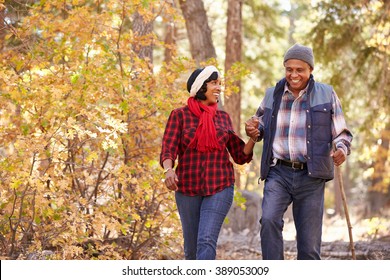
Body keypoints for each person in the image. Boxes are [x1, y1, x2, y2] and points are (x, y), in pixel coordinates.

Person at [245, 43, 353, 260]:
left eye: (299, 70)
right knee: (268, 220)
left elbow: (342, 133)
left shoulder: (326, 94)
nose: (293, 74)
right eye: (289, 69)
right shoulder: (272, 94)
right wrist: (253, 128)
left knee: (309, 245)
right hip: (278, 172)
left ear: (310, 69)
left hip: (311, 176)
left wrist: (341, 148)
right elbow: (261, 125)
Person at [160, 66, 258, 260]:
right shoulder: (179, 115)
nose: (218, 88)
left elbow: (240, 155)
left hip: (220, 186)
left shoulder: (222, 118)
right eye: (214, 83)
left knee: (206, 240)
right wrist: (168, 170)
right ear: (200, 87)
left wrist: (253, 138)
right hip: (187, 188)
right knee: (191, 249)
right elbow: (168, 148)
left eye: (219, 83)